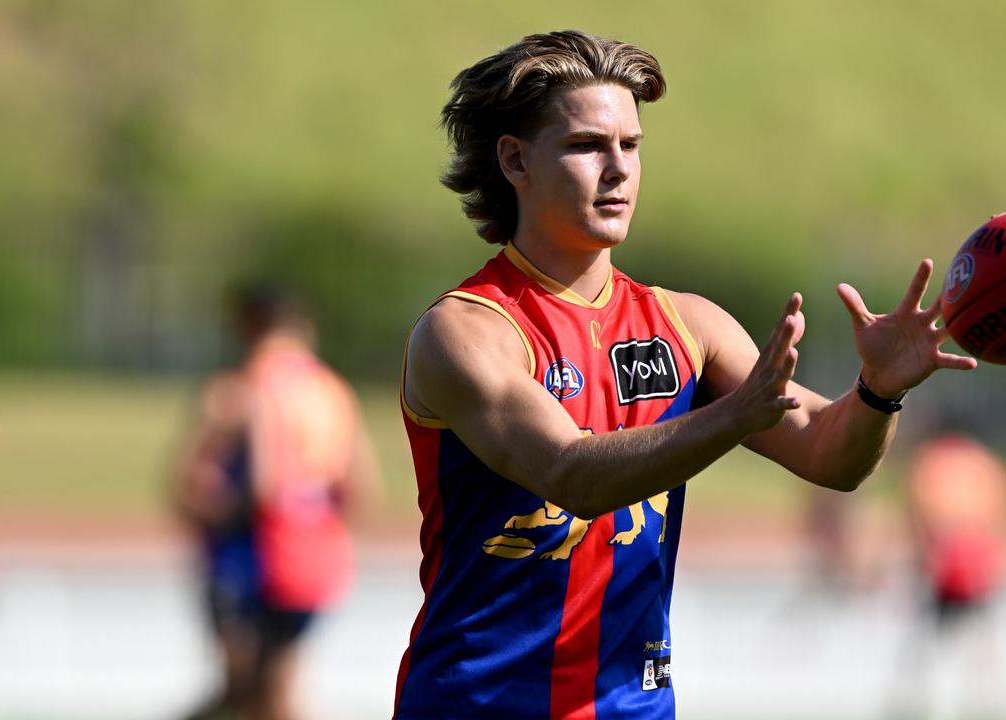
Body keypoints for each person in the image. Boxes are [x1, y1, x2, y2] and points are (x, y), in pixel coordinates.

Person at [394, 30, 976, 719]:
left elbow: (831, 452)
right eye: (587, 146)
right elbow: (570, 474)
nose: (618, 170)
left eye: (631, 146)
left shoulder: (687, 325)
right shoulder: (466, 329)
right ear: (515, 161)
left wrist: (881, 390)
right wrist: (731, 416)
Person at [174, 284, 379, 720]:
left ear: (249, 325)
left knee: (252, 690)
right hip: (317, 559)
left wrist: (209, 516)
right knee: (274, 686)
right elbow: (362, 490)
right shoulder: (332, 390)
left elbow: (237, 483)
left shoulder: (242, 388)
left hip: (256, 557)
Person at [884, 418, 1006, 720]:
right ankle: (988, 706)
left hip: (942, 561)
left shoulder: (928, 461)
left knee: (924, 639)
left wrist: (921, 557)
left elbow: (916, 515)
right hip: (977, 562)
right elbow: (1000, 516)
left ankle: (910, 706)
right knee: (979, 639)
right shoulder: (986, 462)